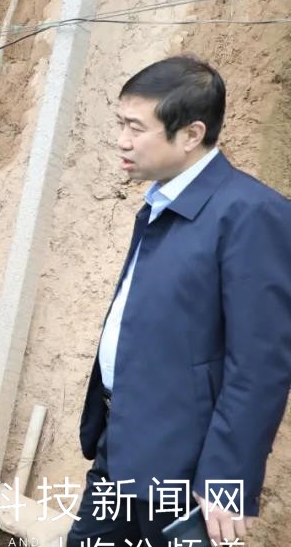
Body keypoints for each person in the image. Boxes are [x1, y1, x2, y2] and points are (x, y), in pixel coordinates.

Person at [68, 56, 291, 546]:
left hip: (185, 469)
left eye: (136, 128)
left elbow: (261, 364)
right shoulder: (161, 202)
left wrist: (227, 478)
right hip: (122, 443)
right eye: (120, 124)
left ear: (191, 134)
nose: (121, 140)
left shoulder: (251, 214)